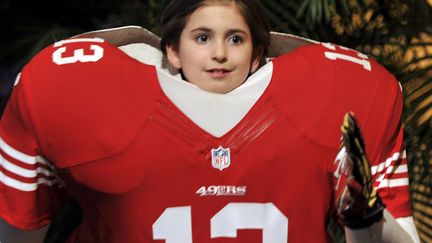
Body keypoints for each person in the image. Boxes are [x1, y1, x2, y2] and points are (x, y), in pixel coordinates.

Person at [0, 0, 421, 242]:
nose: (219, 54)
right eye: (202, 37)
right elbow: (18, 227)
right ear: (173, 50)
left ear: (260, 52)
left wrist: (366, 217)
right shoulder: (64, 90)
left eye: (234, 39)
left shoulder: (349, 95)